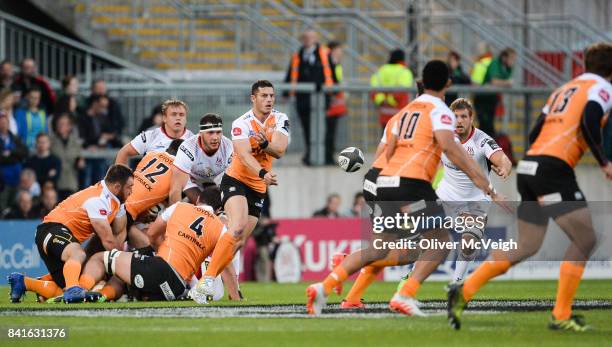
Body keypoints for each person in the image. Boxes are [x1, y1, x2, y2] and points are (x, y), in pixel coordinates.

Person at [306, 60, 505, 316]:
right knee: (440, 242)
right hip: (410, 184)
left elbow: (384, 153)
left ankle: (324, 287)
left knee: (383, 249)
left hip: (381, 182)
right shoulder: (440, 111)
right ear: (448, 83)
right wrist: (485, 185)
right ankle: (405, 294)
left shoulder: (402, 113)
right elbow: (451, 149)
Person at [447, 42, 612, 332]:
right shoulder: (602, 89)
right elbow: (589, 119)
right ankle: (561, 314)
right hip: (552, 169)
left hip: (530, 165)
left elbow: (537, 128)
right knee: (585, 238)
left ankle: (463, 291)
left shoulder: (566, 88)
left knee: (526, 246)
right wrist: (603, 162)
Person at [195, 80, 289, 297]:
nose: (268, 100)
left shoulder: (281, 119)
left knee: (238, 242)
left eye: (271, 96)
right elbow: (244, 155)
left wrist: (265, 145)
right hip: (236, 180)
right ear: (253, 98)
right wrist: (263, 173)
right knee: (236, 228)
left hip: (258, 188)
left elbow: (280, 150)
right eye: (264, 96)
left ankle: (210, 282)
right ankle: (207, 279)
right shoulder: (241, 123)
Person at [77, 185, 228, 302]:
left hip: (161, 269)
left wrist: (161, 249)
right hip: (176, 288)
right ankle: (102, 296)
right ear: (219, 210)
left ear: (199, 198)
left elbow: (152, 234)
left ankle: (78, 290)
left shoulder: (179, 207)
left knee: (100, 258)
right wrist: (236, 295)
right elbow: (225, 267)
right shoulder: (221, 229)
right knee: (124, 275)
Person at [7, 164, 134, 303]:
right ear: (117, 187)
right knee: (77, 254)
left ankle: (23, 282)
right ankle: (73, 290)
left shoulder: (117, 199)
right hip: (51, 228)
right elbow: (109, 241)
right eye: (129, 187)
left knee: (64, 287)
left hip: (58, 235)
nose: (132, 191)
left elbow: (120, 230)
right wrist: (122, 264)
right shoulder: (98, 200)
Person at [436, 98, 512, 283]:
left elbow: (503, 159)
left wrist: (503, 168)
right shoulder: (444, 136)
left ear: (471, 119)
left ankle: (456, 284)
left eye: (463, 116)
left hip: (475, 200)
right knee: (430, 242)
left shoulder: (481, 139)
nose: (459, 120)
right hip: (446, 194)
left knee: (469, 243)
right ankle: (409, 279)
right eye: (455, 117)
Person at [285, 30, 333, 165]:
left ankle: (322, 155)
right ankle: (310, 154)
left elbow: (331, 73)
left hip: (321, 98)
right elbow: (290, 74)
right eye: (305, 37)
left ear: (316, 39)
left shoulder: (324, 54)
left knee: (321, 128)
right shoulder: (297, 56)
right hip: (303, 99)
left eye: (311, 37)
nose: (308, 40)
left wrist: (332, 92)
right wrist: (286, 92)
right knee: (306, 128)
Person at [124, 139, 183, 248]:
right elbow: (174, 200)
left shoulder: (150, 154)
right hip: (129, 211)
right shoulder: (179, 170)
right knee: (149, 248)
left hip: (118, 199)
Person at [169, 113, 233, 204]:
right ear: (200, 133)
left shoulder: (228, 147)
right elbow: (176, 188)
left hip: (219, 182)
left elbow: (234, 181)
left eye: (218, 132)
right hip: (194, 182)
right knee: (203, 206)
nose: (215, 137)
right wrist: (173, 215)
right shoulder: (188, 148)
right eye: (210, 132)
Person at [115, 99, 194, 165]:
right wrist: (123, 180)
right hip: (150, 183)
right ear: (164, 118)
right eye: (173, 114)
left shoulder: (193, 140)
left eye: (181, 115)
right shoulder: (150, 135)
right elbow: (123, 152)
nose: (178, 118)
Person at [473, 48, 516, 136]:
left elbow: (507, 81)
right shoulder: (495, 63)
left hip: (492, 98)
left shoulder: (508, 68)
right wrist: (506, 83)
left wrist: (506, 82)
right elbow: (494, 81)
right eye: (511, 58)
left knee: (489, 125)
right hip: (482, 98)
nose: (513, 61)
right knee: (485, 125)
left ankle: (484, 147)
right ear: (504, 58)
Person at [370, 49, 414, 131]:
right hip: (400, 113)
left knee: (385, 140)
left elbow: (373, 88)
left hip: (384, 112)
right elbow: (403, 90)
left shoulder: (381, 70)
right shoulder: (404, 71)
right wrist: (391, 100)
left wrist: (382, 100)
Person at [50, 113, 84, 200]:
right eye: (59, 124)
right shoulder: (51, 141)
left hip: (71, 182)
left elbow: (80, 157)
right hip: (56, 183)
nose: (61, 126)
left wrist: (80, 162)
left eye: (64, 124)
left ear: (69, 126)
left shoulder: (75, 142)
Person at [324, 41, 347, 165]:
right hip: (330, 105)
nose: (341, 53)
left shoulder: (336, 65)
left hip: (335, 105)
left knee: (331, 131)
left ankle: (329, 156)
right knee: (328, 132)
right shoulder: (330, 65)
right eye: (339, 50)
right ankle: (327, 157)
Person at [0, 111, 28, 209]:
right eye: (1, 123)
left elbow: (24, 152)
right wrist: (14, 158)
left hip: (16, 178)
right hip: (2, 180)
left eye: (5, 123)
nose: (3, 125)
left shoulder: (15, 138)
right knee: (2, 205)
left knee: (15, 205)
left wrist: (11, 153)